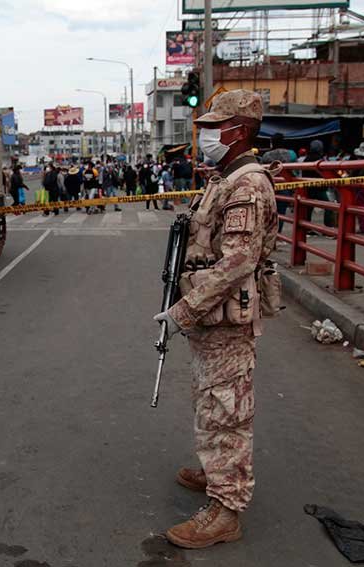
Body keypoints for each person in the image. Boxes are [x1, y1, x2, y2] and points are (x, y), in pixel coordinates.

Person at [153, 89, 278, 549]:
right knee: (210, 399)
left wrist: (184, 310)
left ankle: (225, 509)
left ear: (238, 131)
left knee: (227, 408)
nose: (206, 134)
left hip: (225, 317)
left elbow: (238, 262)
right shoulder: (225, 178)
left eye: (214, 127)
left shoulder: (247, 185)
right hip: (213, 318)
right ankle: (215, 470)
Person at [261, 133, 296, 235]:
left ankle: (267, 233)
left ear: (272, 142)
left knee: (268, 210)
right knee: (281, 211)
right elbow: (295, 171)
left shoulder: (266, 155)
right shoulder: (291, 154)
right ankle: (278, 233)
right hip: (285, 185)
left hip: (270, 185)